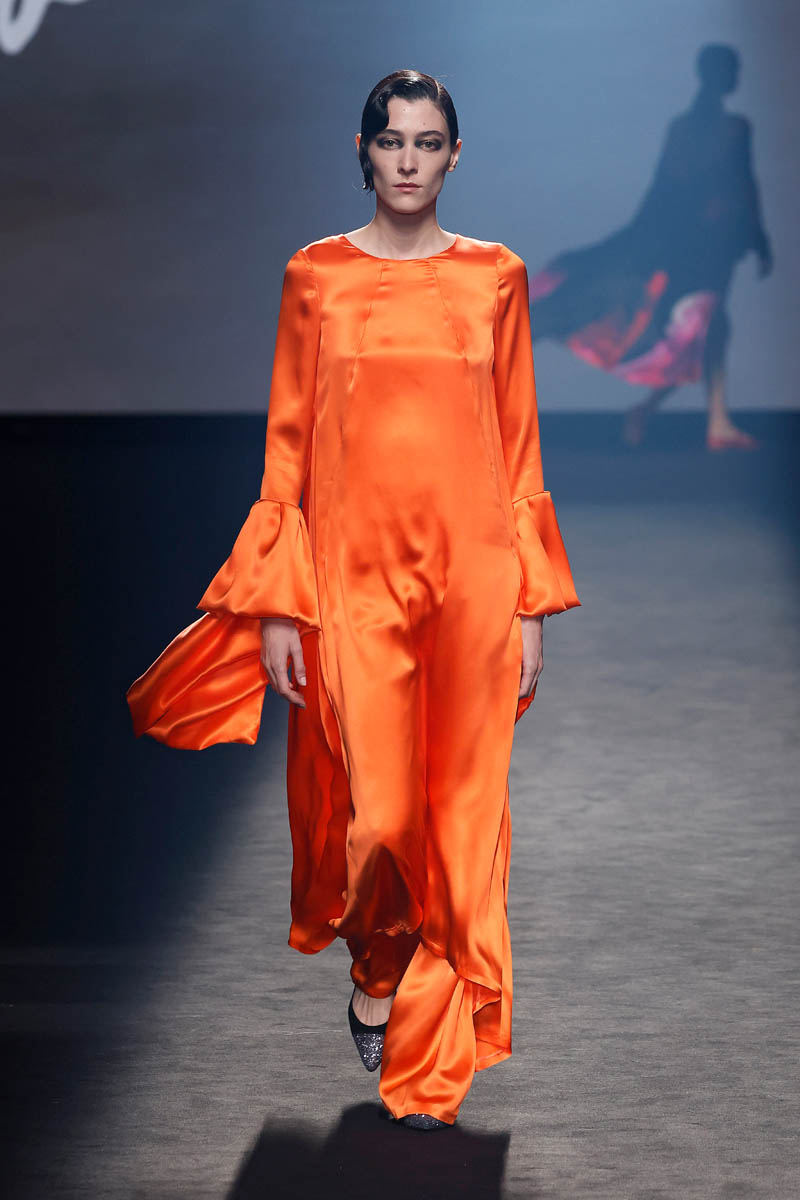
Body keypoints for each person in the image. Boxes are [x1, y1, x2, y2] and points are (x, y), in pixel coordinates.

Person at [126, 69, 580, 1131]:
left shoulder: (495, 277)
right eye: (391, 141)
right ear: (364, 153)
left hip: (473, 579)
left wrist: (527, 604)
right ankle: (376, 964)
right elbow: (286, 447)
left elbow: (518, 446)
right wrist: (278, 603)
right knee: (377, 820)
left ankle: (430, 1050)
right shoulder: (316, 276)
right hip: (350, 579)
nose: (408, 160)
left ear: (454, 156)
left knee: (460, 818)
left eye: (428, 142)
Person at [526, 43, 773, 452]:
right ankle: (700, 420)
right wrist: (759, 238)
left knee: (711, 325)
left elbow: (678, 188)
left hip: (710, 238)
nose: (736, 77)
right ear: (718, 74)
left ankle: (699, 419)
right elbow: (740, 184)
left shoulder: (689, 127)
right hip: (708, 241)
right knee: (705, 326)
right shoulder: (730, 128)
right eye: (732, 69)